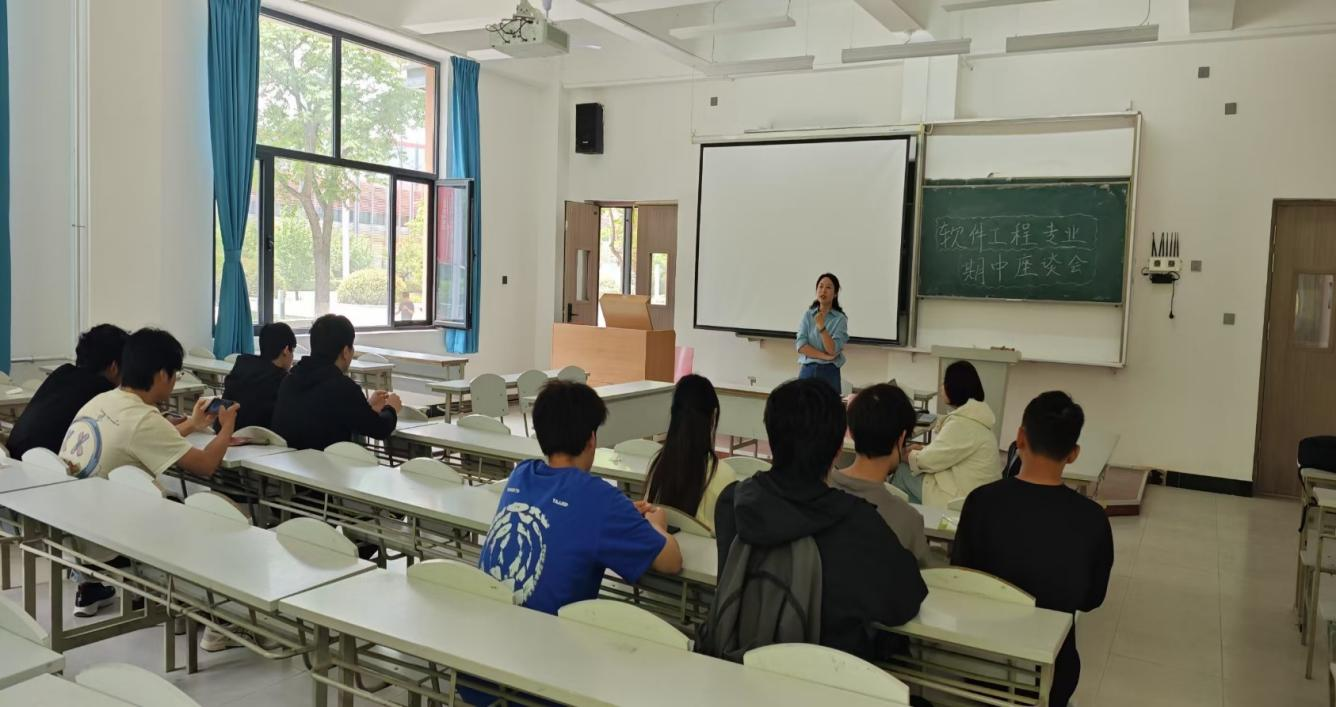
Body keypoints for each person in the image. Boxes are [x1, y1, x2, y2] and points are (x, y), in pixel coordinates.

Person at [712, 378, 926, 660]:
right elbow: (905, 601)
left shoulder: (732, 502)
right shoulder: (859, 523)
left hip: (740, 665)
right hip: (829, 677)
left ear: (772, 440)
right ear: (838, 449)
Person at [59, 327, 239, 617]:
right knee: (216, 514)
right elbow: (206, 465)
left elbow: (146, 438)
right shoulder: (143, 418)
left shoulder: (104, 401)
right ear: (162, 375)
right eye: (175, 374)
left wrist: (193, 424)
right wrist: (226, 427)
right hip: (106, 540)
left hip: (72, 529)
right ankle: (208, 612)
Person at [951, 391, 1113, 707]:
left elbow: (960, 577)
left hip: (978, 661)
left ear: (1020, 438)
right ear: (1073, 454)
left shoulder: (981, 502)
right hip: (1049, 673)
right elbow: (1092, 599)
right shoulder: (1092, 519)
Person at [479, 380, 682, 614]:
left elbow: (568, 514)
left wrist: (623, 514)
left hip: (492, 617)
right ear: (591, 439)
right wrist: (656, 526)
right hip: (551, 632)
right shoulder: (601, 499)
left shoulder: (521, 473)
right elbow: (671, 562)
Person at [829, 383, 932, 567]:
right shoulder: (907, 520)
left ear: (850, 432)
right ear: (901, 438)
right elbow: (925, 577)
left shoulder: (817, 491)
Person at [270, 314, 400, 451]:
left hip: (288, 459)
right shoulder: (342, 387)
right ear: (345, 351)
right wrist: (391, 408)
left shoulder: (290, 379)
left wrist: (367, 407)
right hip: (326, 462)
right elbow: (379, 429)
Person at [7, 324, 128, 459]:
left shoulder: (63, 372)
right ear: (114, 367)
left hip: (14, 455)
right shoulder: (102, 389)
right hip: (46, 463)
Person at [892, 360, 1002, 506]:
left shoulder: (962, 424)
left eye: (945, 382)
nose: (941, 387)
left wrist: (902, 455)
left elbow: (928, 461)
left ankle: (894, 517)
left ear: (955, 388)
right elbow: (947, 453)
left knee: (901, 470)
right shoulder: (976, 417)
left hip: (963, 500)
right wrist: (922, 450)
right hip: (977, 494)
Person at [643, 374, 737, 531]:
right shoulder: (724, 475)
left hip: (661, 545)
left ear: (674, 415)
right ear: (713, 416)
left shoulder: (658, 465)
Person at [217, 322, 296, 432]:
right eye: (293, 351)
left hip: (224, 433)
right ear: (286, 350)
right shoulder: (284, 381)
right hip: (259, 439)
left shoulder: (242, 367)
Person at [794, 273, 848, 394]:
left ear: (835, 294)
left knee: (829, 405)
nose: (823, 290)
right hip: (807, 370)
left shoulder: (840, 319)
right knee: (802, 405)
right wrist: (825, 357)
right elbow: (801, 346)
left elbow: (832, 350)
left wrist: (822, 327)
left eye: (828, 287)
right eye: (820, 286)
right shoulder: (808, 315)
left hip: (829, 372)